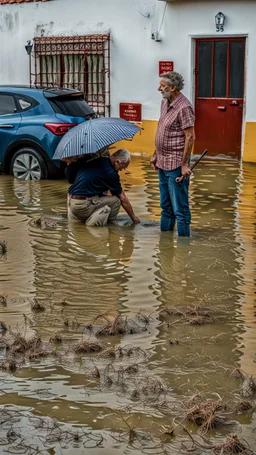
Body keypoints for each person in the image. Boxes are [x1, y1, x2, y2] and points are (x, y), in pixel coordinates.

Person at [150, 71, 195, 237]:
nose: (159, 89)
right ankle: (165, 245)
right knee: (165, 206)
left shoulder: (184, 107)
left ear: (173, 87)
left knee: (180, 208)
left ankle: (184, 248)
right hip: (162, 161)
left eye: (162, 86)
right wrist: (156, 154)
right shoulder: (165, 102)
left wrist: (184, 165)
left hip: (176, 164)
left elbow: (190, 137)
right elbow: (162, 129)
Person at [62, 149, 140, 226]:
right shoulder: (110, 173)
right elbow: (123, 198)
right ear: (117, 162)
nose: (123, 169)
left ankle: (88, 219)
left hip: (71, 201)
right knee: (116, 201)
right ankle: (110, 226)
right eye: (124, 167)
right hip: (82, 205)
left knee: (102, 196)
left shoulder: (100, 160)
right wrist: (134, 218)